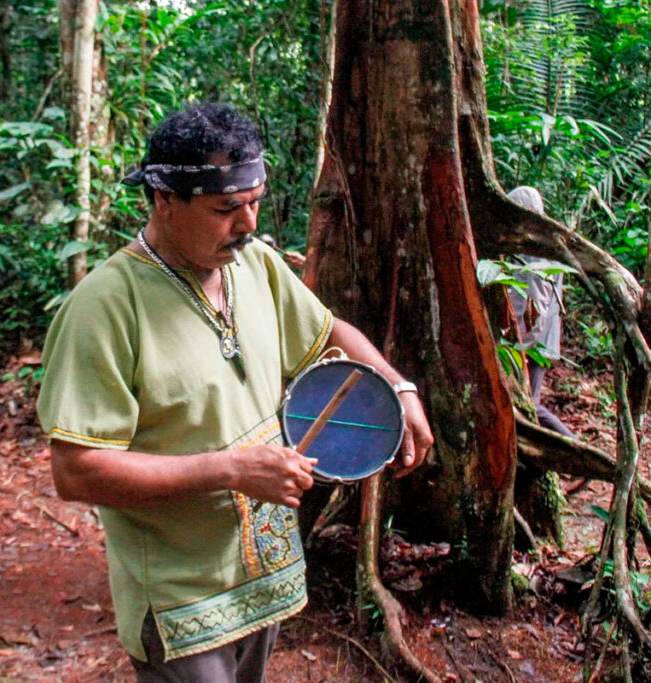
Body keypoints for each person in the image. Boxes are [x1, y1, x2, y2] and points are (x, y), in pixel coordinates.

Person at [36, 103, 433, 682]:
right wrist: (228, 470)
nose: (247, 224)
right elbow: (76, 472)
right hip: (181, 597)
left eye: (254, 203)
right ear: (164, 199)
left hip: (262, 576)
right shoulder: (104, 308)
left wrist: (398, 387)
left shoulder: (257, 267)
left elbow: (328, 336)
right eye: (226, 209)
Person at [506, 186, 575, 439]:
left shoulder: (537, 249)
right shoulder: (542, 243)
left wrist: (521, 346)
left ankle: (573, 449)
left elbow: (536, 303)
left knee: (529, 404)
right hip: (534, 340)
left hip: (532, 342)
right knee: (525, 400)